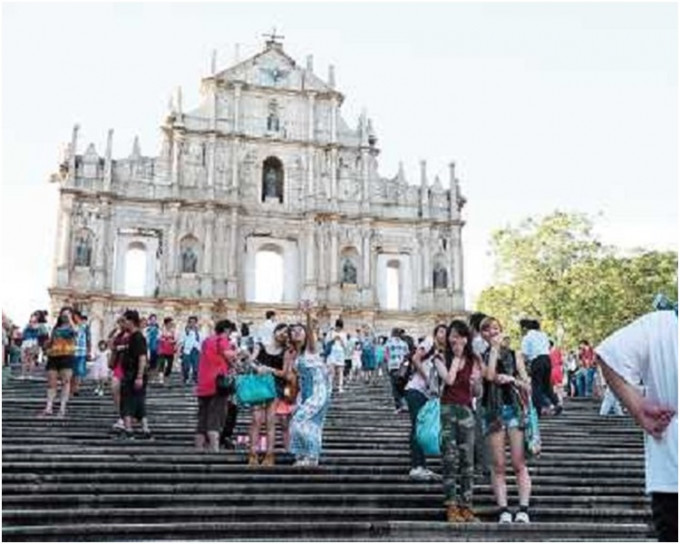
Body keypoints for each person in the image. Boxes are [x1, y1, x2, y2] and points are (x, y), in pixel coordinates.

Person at [596, 306, 677, 542]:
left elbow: (609, 354)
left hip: (671, 468)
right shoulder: (660, 324)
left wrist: (638, 407)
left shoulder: (659, 324)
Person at [480, 316, 533, 523]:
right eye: (486, 330)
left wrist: (512, 379)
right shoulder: (480, 356)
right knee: (499, 464)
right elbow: (490, 376)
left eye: (495, 328)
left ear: (501, 330)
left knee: (519, 462)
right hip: (493, 411)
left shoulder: (515, 354)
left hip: (513, 409)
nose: (491, 332)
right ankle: (503, 509)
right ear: (483, 334)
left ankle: (523, 509)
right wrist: (493, 350)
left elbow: (527, 385)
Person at [431, 320, 483, 523]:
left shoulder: (474, 360)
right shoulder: (439, 357)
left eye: (461, 335)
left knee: (467, 460)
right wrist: (457, 358)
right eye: (453, 335)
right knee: (449, 458)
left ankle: (467, 505)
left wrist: (476, 381)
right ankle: (451, 505)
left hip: (467, 411)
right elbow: (449, 380)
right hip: (447, 410)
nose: (456, 339)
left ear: (467, 338)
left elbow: (478, 392)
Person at [289, 302, 332, 467]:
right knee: (309, 423)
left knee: (299, 421)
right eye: (293, 331)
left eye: (299, 331)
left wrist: (307, 315)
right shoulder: (296, 354)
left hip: (319, 391)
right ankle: (304, 455)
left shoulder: (311, 349)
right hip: (306, 392)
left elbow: (310, 333)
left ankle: (312, 456)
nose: (296, 332)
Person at [404, 324, 447, 481]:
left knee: (421, 427)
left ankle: (421, 465)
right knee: (417, 425)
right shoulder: (429, 342)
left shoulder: (444, 353)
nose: (444, 334)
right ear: (435, 333)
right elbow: (415, 358)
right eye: (441, 331)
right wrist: (427, 379)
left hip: (427, 394)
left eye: (446, 332)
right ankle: (417, 466)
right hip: (416, 390)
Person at [248, 323, 291, 466]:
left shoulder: (286, 351)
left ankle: (270, 453)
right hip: (259, 386)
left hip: (275, 387)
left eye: (286, 333)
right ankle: (253, 453)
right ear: (275, 331)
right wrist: (257, 368)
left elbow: (285, 373)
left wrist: (269, 369)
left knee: (270, 421)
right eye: (282, 331)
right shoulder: (260, 346)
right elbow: (250, 361)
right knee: (256, 420)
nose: (283, 335)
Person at [195, 319, 237, 452]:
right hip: (218, 384)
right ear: (226, 330)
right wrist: (240, 352)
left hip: (203, 383)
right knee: (216, 416)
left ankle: (199, 448)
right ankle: (214, 449)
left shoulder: (206, 341)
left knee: (202, 416)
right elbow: (229, 355)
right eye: (230, 331)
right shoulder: (223, 340)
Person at [119, 310, 151, 439]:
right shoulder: (132, 337)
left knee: (127, 401)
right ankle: (145, 429)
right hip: (133, 373)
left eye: (124, 321)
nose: (122, 323)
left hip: (133, 374)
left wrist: (139, 376)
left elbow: (142, 357)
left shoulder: (137, 337)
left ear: (131, 321)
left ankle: (129, 429)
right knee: (138, 401)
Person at [40, 307, 78, 418]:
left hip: (67, 355)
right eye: (63, 314)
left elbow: (76, 332)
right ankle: (49, 407)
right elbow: (51, 341)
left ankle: (62, 408)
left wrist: (70, 319)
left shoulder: (73, 327)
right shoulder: (56, 328)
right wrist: (46, 346)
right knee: (51, 382)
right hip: (54, 355)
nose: (65, 316)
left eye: (68, 314)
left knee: (66, 382)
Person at [520, 319, 562, 416]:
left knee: (536, 386)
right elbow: (548, 347)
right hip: (547, 359)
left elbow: (525, 353)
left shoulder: (527, 337)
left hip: (537, 360)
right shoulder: (543, 335)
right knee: (547, 385)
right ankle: (556, 402)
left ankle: (539, 408)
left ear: (525, 328)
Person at [108, 317, 129, 431]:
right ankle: (121, 415)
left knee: (126, 392)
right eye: (119, 322)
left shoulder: (135, 335)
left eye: (123, 322)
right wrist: (112, 334)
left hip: (129, 365)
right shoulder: (119, 335)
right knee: (114, 388)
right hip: (118, 364)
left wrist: (124, 347)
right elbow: (110, 346)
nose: (121, 324)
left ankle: (125, 417)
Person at [385, 328, 409, 413]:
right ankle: (405, 404)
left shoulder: (389, 343)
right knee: (403, 385)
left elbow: (386, 355)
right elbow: (407, 355)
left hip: (393, 366)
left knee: (395, 387)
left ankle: (399, 406)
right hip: (402, 367)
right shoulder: (404, 344)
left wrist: (387, 365)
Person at [71, 310, 91, 397]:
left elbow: (88, 338)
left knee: (79, 371)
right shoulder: (69, 326)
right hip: (70, 351)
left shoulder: (84, 326)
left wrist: (88, 351)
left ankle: (76, 388)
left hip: (81, 351)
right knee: (71, 371)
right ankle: (71, 388)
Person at [326, 319, 348, 394]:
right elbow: (326, 343)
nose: (339, 329)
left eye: (340, 328)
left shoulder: (344, 334)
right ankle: (330, 387)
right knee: (331, 371)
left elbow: (345, 346)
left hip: (340, 353)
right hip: (332, 353)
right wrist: (333, 339)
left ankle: (340, 387)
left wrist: (341, 340)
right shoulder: (331, 333)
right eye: (338, 327)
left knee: (340, 371)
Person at [180, 316, 201, 385]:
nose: (192, 324)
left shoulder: (199, 332)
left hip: (195, 350)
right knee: (186, 366)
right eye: (191, 322)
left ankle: (195, 379)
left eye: (194, 322)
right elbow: (181, 341)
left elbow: (201, 341)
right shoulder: (185, 332)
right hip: (187, 351)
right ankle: (185, 378)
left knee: (196, 367)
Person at [20, 313, 41, 379]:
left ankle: (30, 375)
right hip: (25, 342)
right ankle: (23, 374)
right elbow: (23, 333)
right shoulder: (27, 325)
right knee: (24, 359)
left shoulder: (38, 326)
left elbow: (36, 330)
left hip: (32, 342)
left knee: (31, 359)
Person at [157, 317, 177, 385]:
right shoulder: (161, 330)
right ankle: (161, 378)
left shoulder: (173, 331)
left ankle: (166, 376)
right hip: (162, 349)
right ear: (166, 323)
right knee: (161, 363)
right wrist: (165, 339)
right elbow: (159, 338)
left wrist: (173, 342)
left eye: (171, 323)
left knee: (169, 365)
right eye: (169, 323)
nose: (171, 325)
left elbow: (176, 340)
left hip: (170, 350)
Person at [145, 314, 161, 384]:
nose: (153, 321)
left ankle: (153, 378)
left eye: (154, 320)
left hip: (155, 348)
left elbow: (160, 339)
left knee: (155, 364)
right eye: (152, 319)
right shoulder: (146, 330)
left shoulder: (158, 330)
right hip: (148, 348)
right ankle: (148, 377)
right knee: (148, 364)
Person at [549, 341, 565, 406]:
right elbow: (562, 361)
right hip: (557, 369)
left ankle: (556, 401)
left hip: (553, 369)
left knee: (554, 386)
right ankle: (560, 400)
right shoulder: (557, 351)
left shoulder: (548, 353)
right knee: (558, 386)